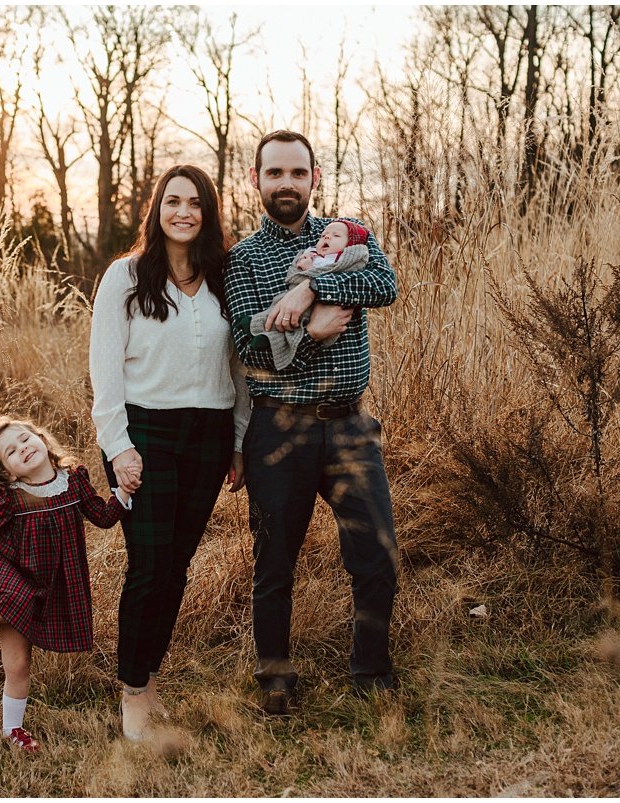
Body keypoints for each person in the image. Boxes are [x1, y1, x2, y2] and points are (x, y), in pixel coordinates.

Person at [223, 130, 399, 715]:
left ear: (314, 178)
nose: (286, 184)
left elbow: (384, 286)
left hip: (350, 426)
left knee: (376, 553)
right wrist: (309, 332)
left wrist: (310, 287)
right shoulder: (244, 258)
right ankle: (275, 679)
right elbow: (249, 342)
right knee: (274, 561)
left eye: (297, 173)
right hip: (279, 429)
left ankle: (371, 674)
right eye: (274, 173)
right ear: (256, 181)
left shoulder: (348, 237)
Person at [89, 164, 250, 741]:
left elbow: (239, 370)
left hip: (207, 437)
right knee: (150, 567)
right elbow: (104, 372)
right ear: (157, 209)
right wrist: (118, 447)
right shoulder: (126, 277)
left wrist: (236, 440)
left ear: (208, 213)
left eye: (196, 203)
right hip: (144, 434)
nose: (183, 211)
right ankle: (133, 692)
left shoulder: (222, 279)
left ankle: (149, 677)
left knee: (176, 567)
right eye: (173, 201)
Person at [0, 415, 131, 753]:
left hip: (43, 583)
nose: (23, 449)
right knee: (16, 599)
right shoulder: (11, 497)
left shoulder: (73, 481)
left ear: (42, 440)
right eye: (12, 452)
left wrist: (122, 497)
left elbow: (101, 517)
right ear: (10, 471)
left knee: (18, 665)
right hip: (6, 569)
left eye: (24, 440)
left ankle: (12, 730)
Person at [240, 218, 371, 369]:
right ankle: (256, 323)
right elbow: (247, 356)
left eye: (336, 236)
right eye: (323, 236)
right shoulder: (243, 255)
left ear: (350, 245)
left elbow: (383, 284)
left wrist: (313, 286)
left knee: (295, 321)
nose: (327, 237)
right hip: (285, 387)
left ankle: (267, 337)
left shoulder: (343, 259)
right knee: (280, 307)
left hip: (327, 309)